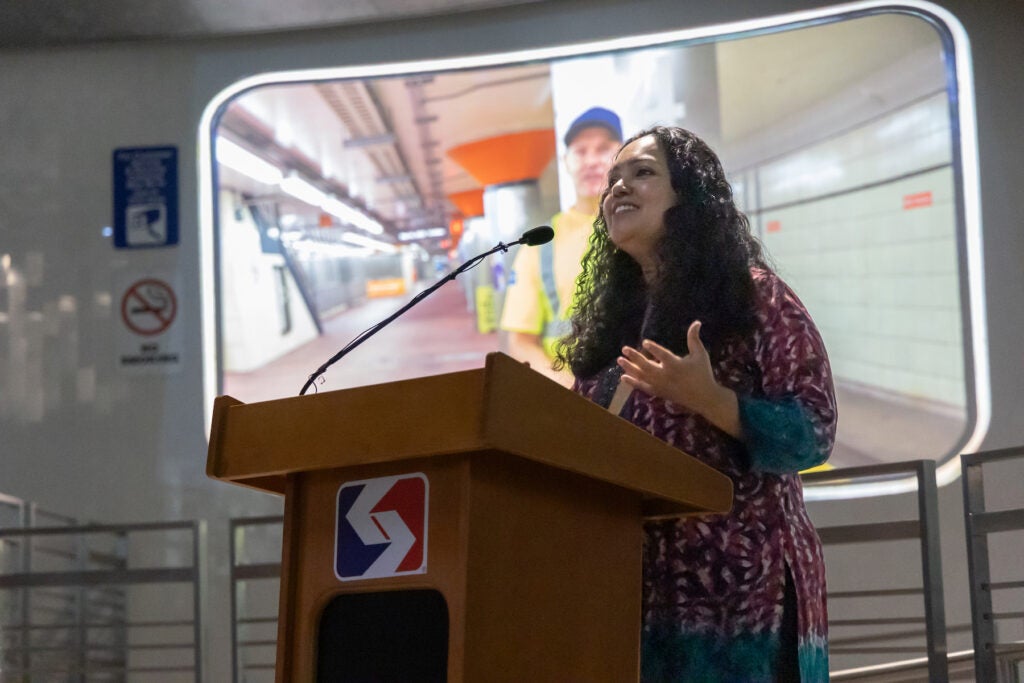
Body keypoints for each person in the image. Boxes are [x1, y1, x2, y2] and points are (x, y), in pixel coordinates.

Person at [556, 126, 837, 682]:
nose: (618, 187)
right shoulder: (611, 326)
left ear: (689, 195)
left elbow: (814, 431)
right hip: (635, 600)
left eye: (642, 172)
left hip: (746, 610)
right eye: (614, 179)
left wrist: (714, 402)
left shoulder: (755, 297)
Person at [500, 106, 622, 385]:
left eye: (603, 148)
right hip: (571, 399)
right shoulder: (539, 244)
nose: (591, 160)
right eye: (580, 151)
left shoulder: (649, 230)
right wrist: (574, 394)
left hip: (644, 402)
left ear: (623, 157)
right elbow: (520, 341)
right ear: (566, 162)